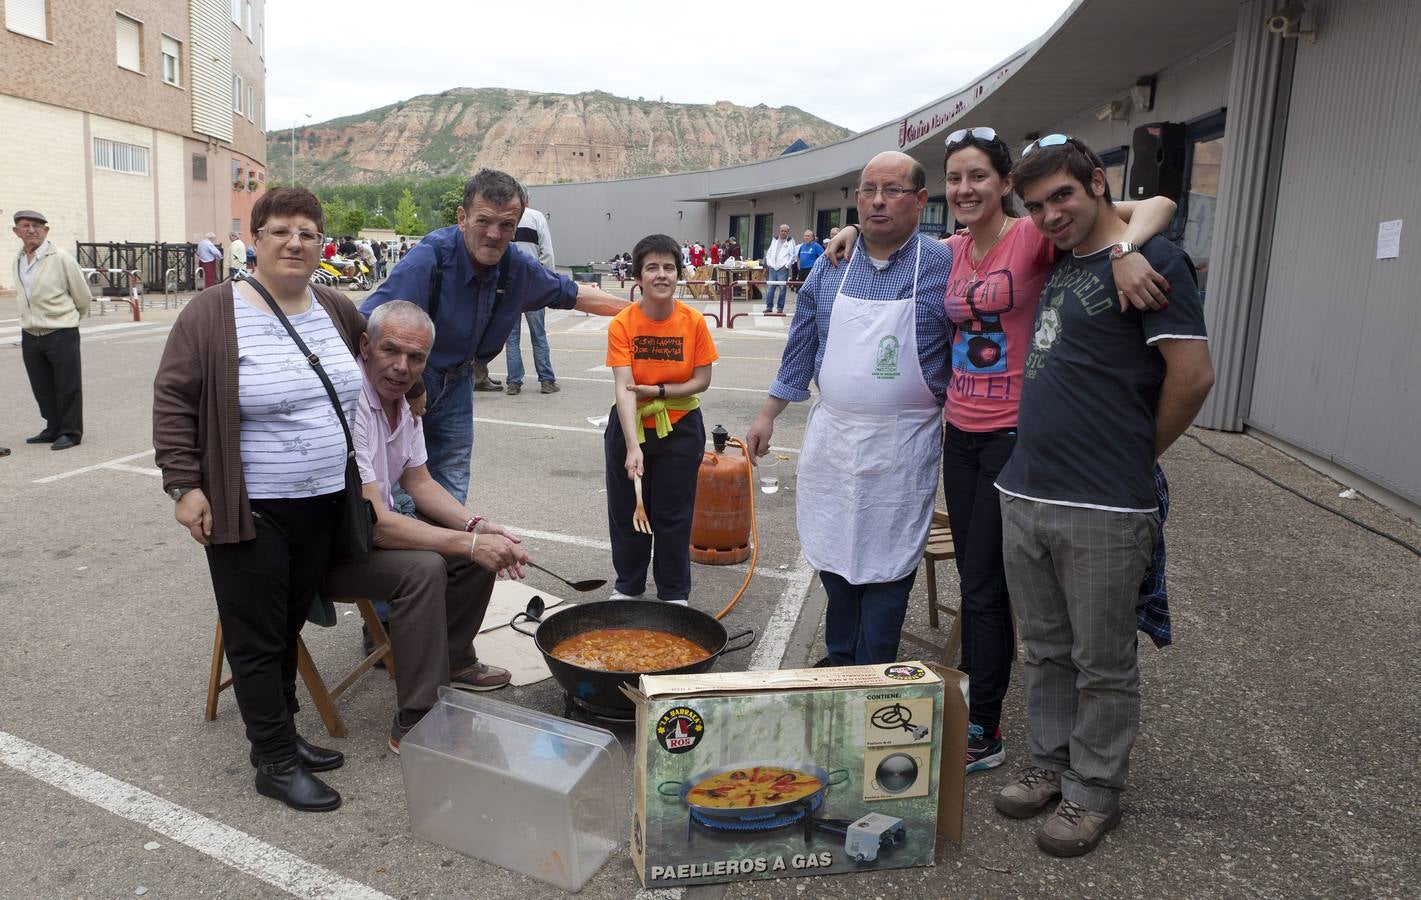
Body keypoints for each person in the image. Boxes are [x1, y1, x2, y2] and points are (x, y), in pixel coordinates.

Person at [824, 126, 1177, 776]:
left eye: (977, 176)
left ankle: (984, 724)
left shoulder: (1031, 236)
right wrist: (846, 235)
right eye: (954, 178)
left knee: (988, 590)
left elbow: (1157, 208)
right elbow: (888, 243)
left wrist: (1126, 248)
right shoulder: (950, 249)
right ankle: (997, 714)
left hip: (1018, 433)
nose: (964, 188)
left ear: (1004, 183)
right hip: (961, 434)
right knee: (977, 576)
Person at [990, 135, 1213, 857]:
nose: (1050, 216)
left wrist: (1134, 455)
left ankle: (1092, 791)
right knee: (1048, 649)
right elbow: (1149, 206)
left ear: (1095, 183)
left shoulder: (1159, 261)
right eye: (1035, 206)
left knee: (1102, 659)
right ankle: (1051, 764)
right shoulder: (1068, 256)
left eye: (1063, 197)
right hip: (1026, 489)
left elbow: (1193, 377)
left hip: (1104, 503)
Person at [153, 187, 366, 813]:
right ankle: (273, 760)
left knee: (288, 625)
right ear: (256, 239)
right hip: (251, 505)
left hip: (324, 501)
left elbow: (372, 367)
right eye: (280, 231)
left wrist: (412, 396)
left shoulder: (333, 305)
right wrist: (183, 485)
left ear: (320, 242)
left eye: (306, 231)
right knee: (255, 636)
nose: (294, 242)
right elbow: (173, 399)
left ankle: (283, 735)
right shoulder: (214, 311)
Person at [744, 151, 952, 665]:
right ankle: (839, 658)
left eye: (893, 190)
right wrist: (768, 413)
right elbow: (800, 346)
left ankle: (875, 667)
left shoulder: (946, 265)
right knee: (835, 554)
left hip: (904, 444)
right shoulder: (831, 267)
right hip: (834, 438)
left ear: (921, 200)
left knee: (891, 564)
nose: (878, 201)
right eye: (868, 190)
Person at [322, 301, 531, 752]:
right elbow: (376, 525)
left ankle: (452, 661)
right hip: (327, 547)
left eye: (416, 358)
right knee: (426, 568)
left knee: (474, 551)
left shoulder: (402, 400)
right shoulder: (351, 403)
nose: (402, 367)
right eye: (390, 351)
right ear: (365, 346)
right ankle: (417, 719)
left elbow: (419, 481)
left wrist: (480, 526)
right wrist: (468, 541)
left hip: (363, 533)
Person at [361, 169, 627, 504]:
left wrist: (645, 311)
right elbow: (367, 323)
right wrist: (410, 387)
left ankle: (450, 551)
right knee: (397, 485)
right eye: (484, 221)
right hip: (408, 384)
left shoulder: (516, 266)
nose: (494, 234)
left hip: (460, 381)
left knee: (451, 478)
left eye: (506, 225)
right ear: (462, 218)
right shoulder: (431, 258)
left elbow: (575, 294)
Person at [605, 234, 718, 604]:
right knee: (628, 510)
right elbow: (624, 387)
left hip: (681, 426)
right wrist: (632, 447)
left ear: (678, 274)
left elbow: (702, 379)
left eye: (669, 267)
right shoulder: (622, 324)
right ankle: (629, 586)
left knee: (672, 513)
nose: (661, 274)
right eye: (652, 267)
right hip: (630, 426)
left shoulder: (693, 322)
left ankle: (673, 592)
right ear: (638, 276)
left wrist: (661, 392)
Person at [12, 210, 91, 451]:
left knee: (67, 384)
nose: (31, 230)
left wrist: (69, 319)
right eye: (26, 226)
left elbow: (82, 295)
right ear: (16, 232)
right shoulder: (18, 259)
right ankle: (53, 426)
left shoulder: (61, 258)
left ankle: (70, 432)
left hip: (60, 330)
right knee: (42, 386)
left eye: (37, 225)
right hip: (30, 332)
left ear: (46, 231)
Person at [504, 199, 560, 396]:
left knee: (511, 340)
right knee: (539, 336)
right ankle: (546, 381)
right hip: (533, 286)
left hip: (509, 288)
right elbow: (547, 254)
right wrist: (548, 283)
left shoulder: (504, 217)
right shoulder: (536, 217)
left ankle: (513, 382)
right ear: (527, 199)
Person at [762, 223, 796, 314]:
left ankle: (780, 308)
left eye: (785, 231)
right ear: (779, 231)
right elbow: (769, 252)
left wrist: (786, 265)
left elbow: (792, 255)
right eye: (782, 231)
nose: (783, 233)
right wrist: (769, 263)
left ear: (788, 232)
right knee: (770, 289)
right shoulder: (775, 239)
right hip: (773, 268)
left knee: (782, 289)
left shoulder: (790, 241)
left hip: (782, 269)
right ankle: (769, 307)